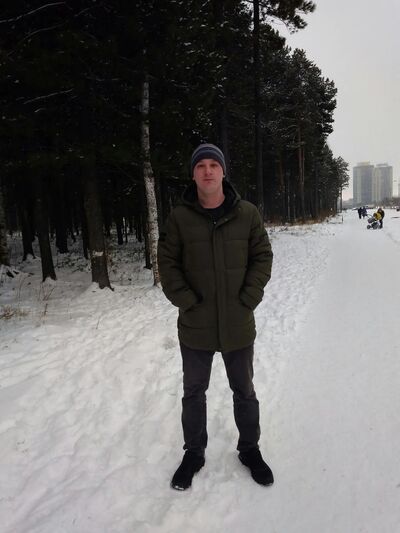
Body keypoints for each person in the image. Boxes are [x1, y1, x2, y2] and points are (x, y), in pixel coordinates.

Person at [158, 143, 274, 491]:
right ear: (193, 174)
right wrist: (187, 301)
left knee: (245, 390)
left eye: (213, 164)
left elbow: (262, 256)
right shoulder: (179, 217)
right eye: (201, 165)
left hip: (238, 323)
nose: (207, 170)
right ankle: (193, 453)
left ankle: (250, 449)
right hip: (196, 324)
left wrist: (249, 297)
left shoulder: (247, 213)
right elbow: (167, 263)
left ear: (223, 171)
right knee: (193, 392)